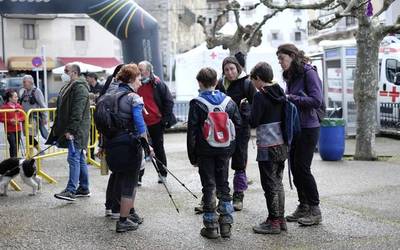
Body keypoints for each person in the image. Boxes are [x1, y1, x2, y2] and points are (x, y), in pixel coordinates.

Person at [187, 67, 241, 239]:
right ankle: (226, 224)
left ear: (200, 83)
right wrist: (233, 150)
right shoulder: (229, 102)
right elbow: (238, 125)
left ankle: (211, 227)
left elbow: (192, 132)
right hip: (225, 149)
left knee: (209, 186)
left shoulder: (197, 103)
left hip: (205, 151)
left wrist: (192, 156)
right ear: (216, 81)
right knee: (223, 184)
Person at [276, 44, 323, 226]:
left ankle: (315, 209)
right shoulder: (291, 75)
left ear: (292, 56)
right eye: (279, 59)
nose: (280, 62)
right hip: (295, 127)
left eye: (282, 58)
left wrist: (290, 98)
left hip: (309, 127)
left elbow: (316, 100)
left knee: (303, 168)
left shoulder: (308, 72)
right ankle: (303, 205)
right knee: (295, 168)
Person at [102, 64, 150, 233]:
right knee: (129, 184)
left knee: (119, 178)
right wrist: (147, 144)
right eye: (138, 79)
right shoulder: (133, 98)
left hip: (112, 145)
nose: (141, 82)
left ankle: (125, 214)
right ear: (131, 79)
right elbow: (139, 122)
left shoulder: (109, 94)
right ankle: (123, 220)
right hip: (129, 145)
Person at [249, 62, 288, 234]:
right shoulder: (280, 91)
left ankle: (273, 222)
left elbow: (254, 121)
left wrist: (246, 110)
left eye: (253, 80)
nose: (253, 85)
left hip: (267, 146)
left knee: (269, 185)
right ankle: (281, 219)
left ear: (258, 78)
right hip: (282, 145)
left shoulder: (260, 96)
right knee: (278, 183)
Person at [216, 56, 257, 211]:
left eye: (232, 69)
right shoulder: (221, 84)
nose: (230, 72)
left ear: (238, 68)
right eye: (226, 70)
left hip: (241, 129)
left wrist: (247, 114)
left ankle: (238, 195)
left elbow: (256, 104)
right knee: (222, 162)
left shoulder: (247, 83)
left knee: (240, 162)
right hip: (224, 129)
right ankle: (223, 195)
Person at [46, 64, 91, 201]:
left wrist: (71, 130)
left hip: (77, 130)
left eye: (66, 71)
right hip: (75, 129)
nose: (64, 74)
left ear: (74, 73)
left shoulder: (80, 88)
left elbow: (77, 111)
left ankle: (71, 190)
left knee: (73, 158)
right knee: (79, 158)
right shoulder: (70, 86)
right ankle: (83, 188)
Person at [137, 61, 176, 184]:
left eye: (141, 70)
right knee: (139, 150)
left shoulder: (157, 83)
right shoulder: (136, 83)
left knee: (158, 149)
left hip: (156, 122)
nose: (139, 72)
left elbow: (169, 101)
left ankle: (162, 173)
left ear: (148, 71)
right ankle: (138, 177)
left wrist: (164, 120)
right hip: (140, 123)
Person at [19, 74, 48, 153]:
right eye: (23, 82)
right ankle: (38, 151)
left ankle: (32, 153)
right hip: (25, 117)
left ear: (31, 82)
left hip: (33, 117)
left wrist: (45, 117)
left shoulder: (36, 91)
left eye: (25, 82)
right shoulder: (24, 92)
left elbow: (43, 105)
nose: (24, 83)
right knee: (28, 136)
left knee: (30, 135)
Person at [0, 90, 25, 157]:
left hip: (18, 129)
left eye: (17, 97)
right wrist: (10, 121)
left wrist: (19, 119)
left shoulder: (19, 106)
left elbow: (23, 116)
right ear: (10, 98)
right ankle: (12, 160)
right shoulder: (4, 107)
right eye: (15, 97)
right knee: (13, 145)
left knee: (17, 146)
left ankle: (15, 159)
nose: (17, 98)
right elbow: (1, 119)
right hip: (9, 130)